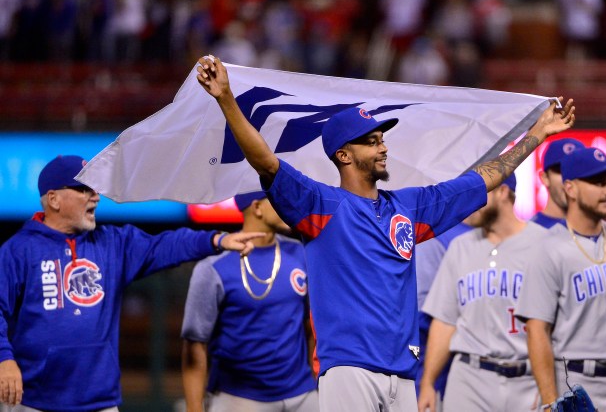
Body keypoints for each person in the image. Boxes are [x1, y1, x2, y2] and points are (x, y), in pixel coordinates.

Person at [196, 56, 574, 411]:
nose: (383, 147)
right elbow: (265, 161)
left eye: (381, 138)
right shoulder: (320, 205)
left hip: (403, 373)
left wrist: (537, 134)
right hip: (348, 371)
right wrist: (227, 99)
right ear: (344, 155)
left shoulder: (409, 208)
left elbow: (485, 178)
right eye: (372, 141)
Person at [0, 155, 263, 412]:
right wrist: (4, 359)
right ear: (54, 199)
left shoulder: (112, 243)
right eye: (84, 189)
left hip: (99, 401)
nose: (95, 196)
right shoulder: (19, 250)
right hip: (33, 399)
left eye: (95, 189)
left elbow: (166, 245)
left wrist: (215, 240)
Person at [516, 147, 606, 411]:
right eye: (597, 182)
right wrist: (550, 401)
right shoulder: (547, 248)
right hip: (578, 383)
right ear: (570, 188)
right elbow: (537, 331)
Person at [417, 174, 547, 411]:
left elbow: (560, 327)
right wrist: (428, 382)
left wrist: (549, 388)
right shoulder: (460, 247)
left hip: (528, 378)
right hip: (470, 377)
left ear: (503, 192)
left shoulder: (545, 245)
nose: (469, 202)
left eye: (478, 192)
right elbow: (444, 322)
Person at [181, 191, 318, 412]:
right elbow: (195, 343)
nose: (289, 205)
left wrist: (316, 379)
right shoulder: (213, 267)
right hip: (238, 398)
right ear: (257, 208)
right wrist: (194, 407)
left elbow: (311, 326)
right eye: (279, 199)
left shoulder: (300, 253)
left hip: (302, 393)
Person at [414, 220, 472, 399]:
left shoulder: (499, 239)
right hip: (432, 352)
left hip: (474, 362)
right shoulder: (439, 234)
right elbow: (421, 312)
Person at [530, 137, 585, 229]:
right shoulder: (528, 234)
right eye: (561, 170)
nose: (569, 179)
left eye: (577, 169)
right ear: (545, 178)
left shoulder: (604, 232)